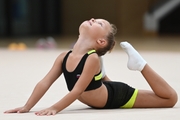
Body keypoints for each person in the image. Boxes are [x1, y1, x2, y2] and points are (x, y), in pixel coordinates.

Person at [4, 18, 177, 116]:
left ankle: (139, 64)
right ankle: (101, 76)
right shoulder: (63, 57)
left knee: (170, 99)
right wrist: (27, 106)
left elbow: (77, 91)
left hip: (116, 96)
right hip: (103, 91)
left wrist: (55, 108)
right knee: (100, 82)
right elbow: (45, 82)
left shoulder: (92, 58)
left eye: (99, 24)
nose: (93, 19)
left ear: (100, 41)